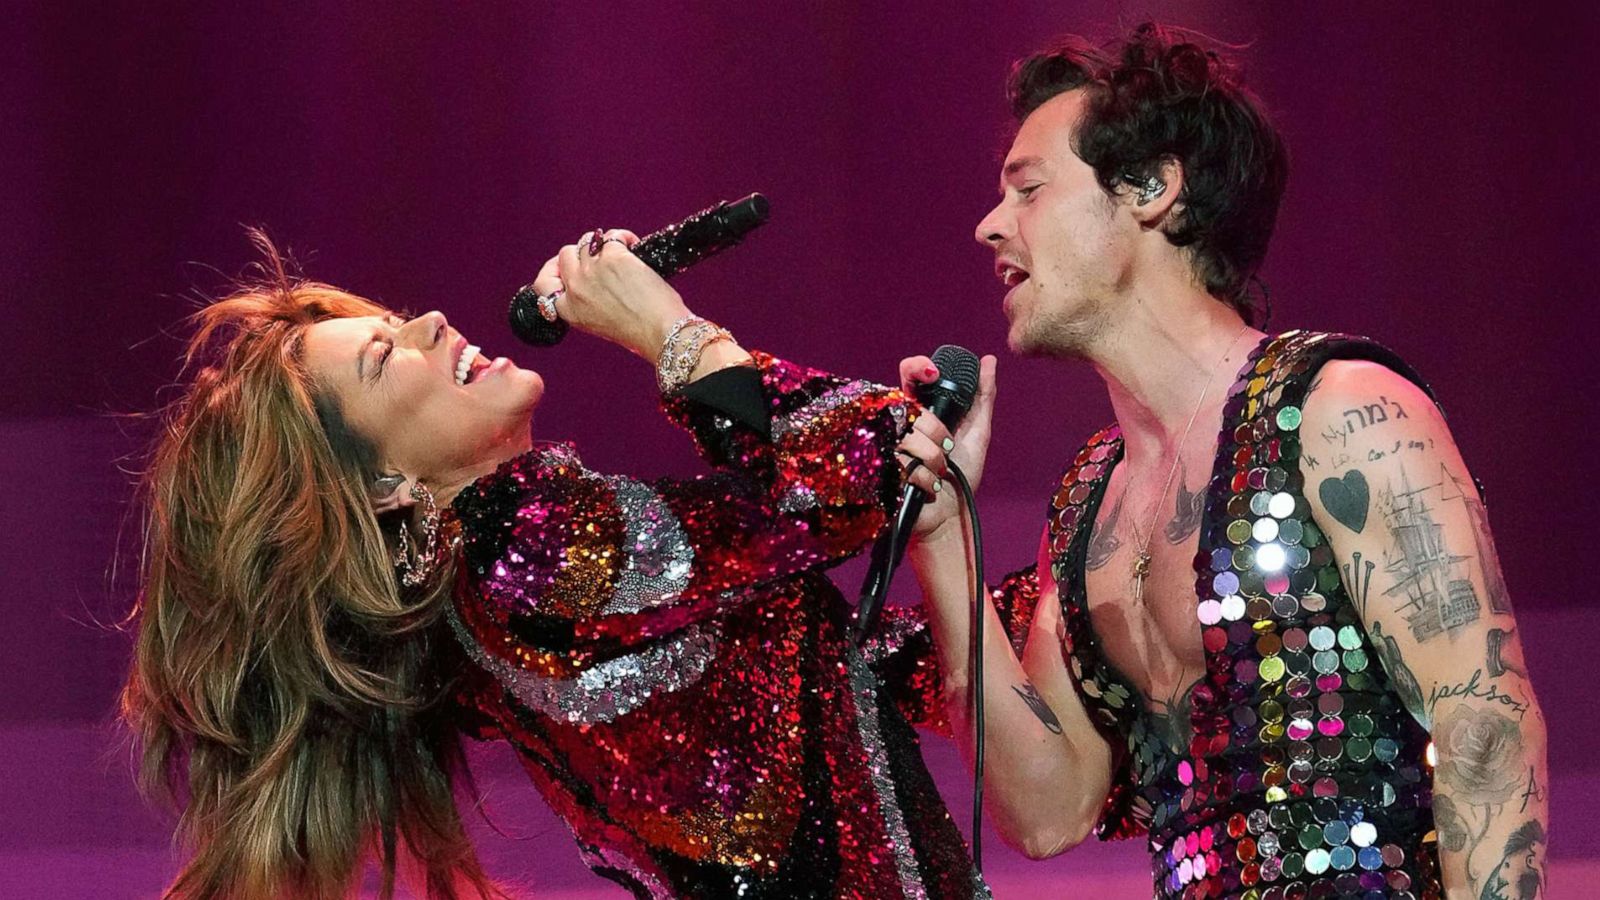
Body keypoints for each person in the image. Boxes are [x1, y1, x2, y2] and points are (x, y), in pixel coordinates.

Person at [121, 228, 986, 899]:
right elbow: (857, 466)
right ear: (384, 487)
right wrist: (663, 327)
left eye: (395, 323)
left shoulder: (496, 577)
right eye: (387, 356)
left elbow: (834, 668)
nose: (429, 321)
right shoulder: (523, 553)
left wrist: (1072, 631)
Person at [895, 23, 1548, 900]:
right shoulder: (1092, 497)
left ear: (1153, 187)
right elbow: (1045, 813)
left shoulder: (1339, 409)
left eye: (1029, 190)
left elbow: (1485, 726)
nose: (989, 226)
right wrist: (944, 538)